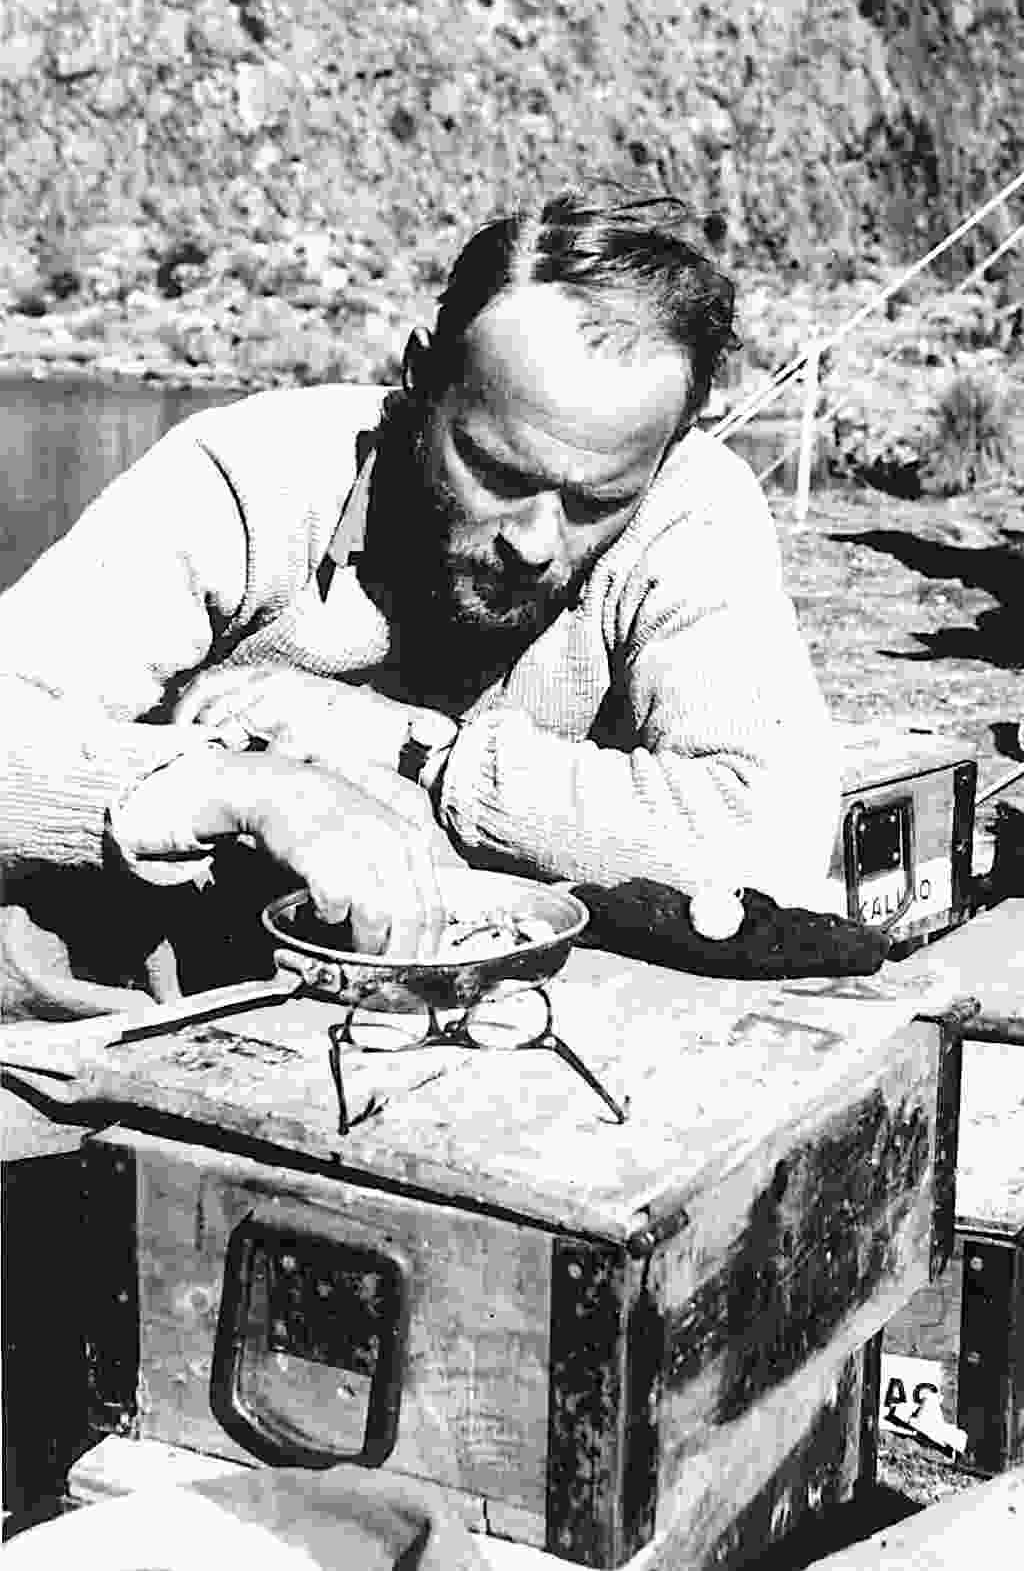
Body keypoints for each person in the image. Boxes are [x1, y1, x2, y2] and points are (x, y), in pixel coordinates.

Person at [0, 192, 839, 1017]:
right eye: (499, 474)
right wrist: (248, 787)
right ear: (420, 380)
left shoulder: (689, 505)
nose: (537, 542)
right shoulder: (246, 474)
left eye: (597, 502)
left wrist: (402, 752)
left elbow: (771, 843)